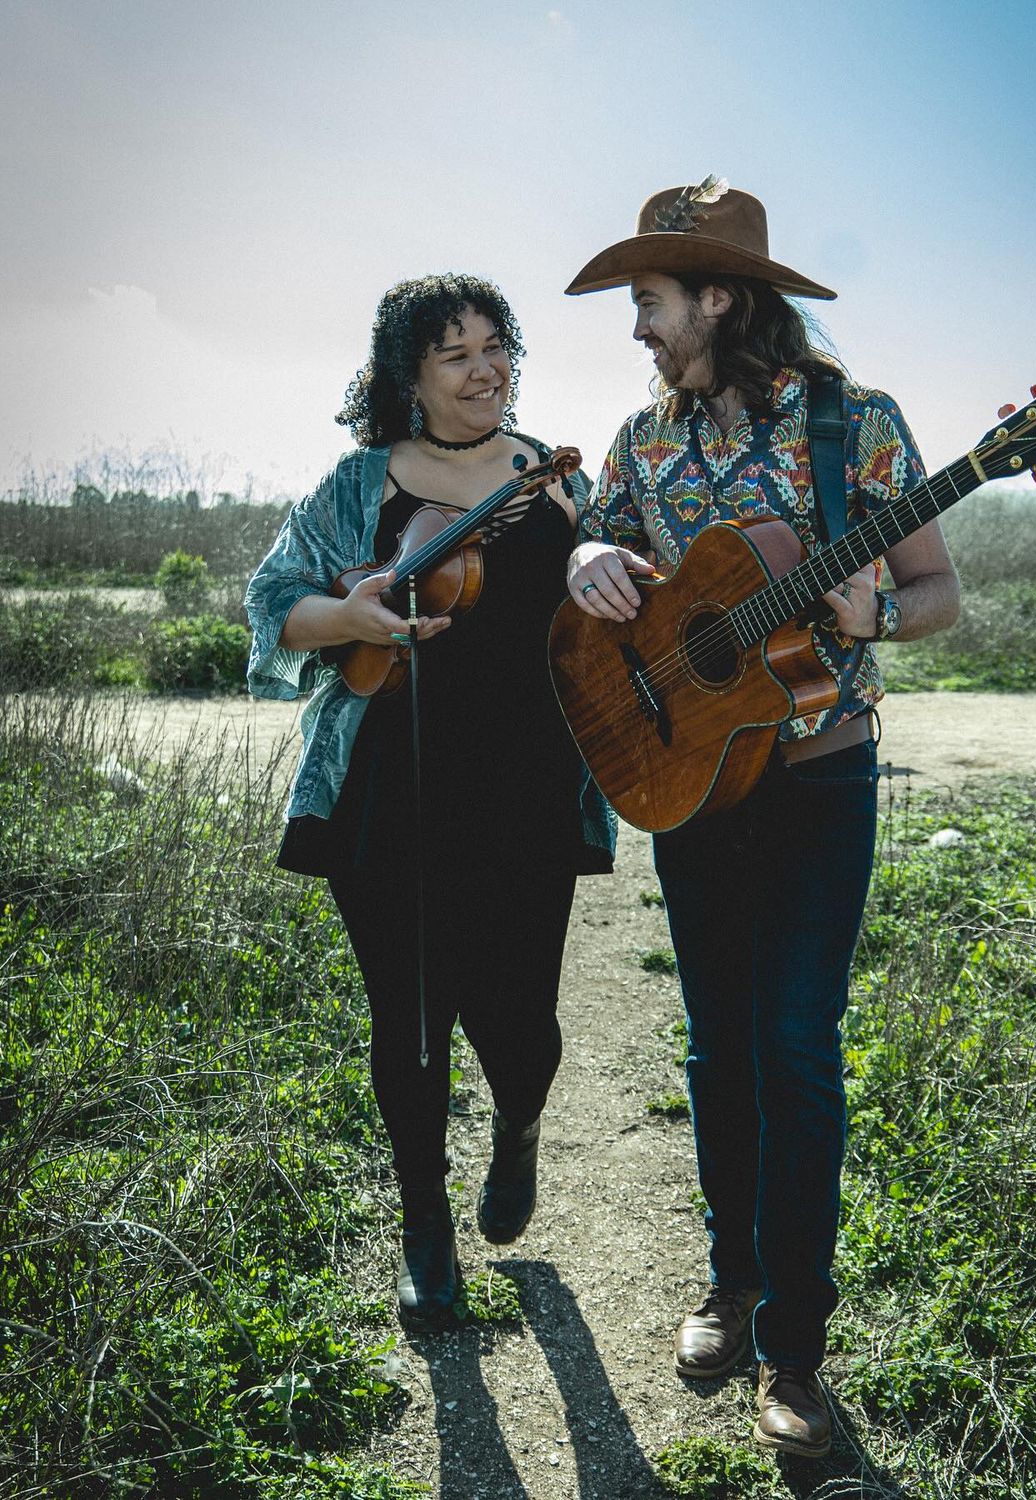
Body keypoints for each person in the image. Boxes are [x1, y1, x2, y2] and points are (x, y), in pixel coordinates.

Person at [563, 183, 960, 1458]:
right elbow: (601, 571)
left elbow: (937, 588)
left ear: (718, 300)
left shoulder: (860, 429)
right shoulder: (639, 443)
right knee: (716, 1047)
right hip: (693, 785)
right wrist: (586, 562)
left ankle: (794, 1349)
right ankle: (728, 1285)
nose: (637, 328)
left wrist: (869, 616)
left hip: (823, 780)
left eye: (650, 302)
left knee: (797, 1048)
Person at [244, 274, 614, 1326]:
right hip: (388, 786)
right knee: (408, 1019)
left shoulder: (556, 483)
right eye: (455, 355)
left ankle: (520, 1124)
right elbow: (275, 603)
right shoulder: (358, 484)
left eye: (496, 346)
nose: (484, 369)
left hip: (532, 784)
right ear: (408, 376)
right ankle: (424, 1228)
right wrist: (350, 618)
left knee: (521, 1021)